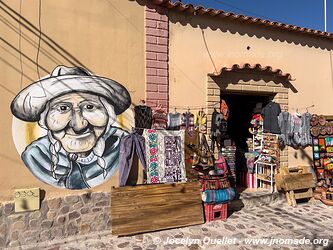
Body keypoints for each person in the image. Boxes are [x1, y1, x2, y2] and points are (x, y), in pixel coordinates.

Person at [11, 65, 131, 189]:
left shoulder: (121, 145)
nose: (79, 126)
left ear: (108, 114)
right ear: (44, 120)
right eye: (63, 108)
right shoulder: (35, 156)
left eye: (90, 107)